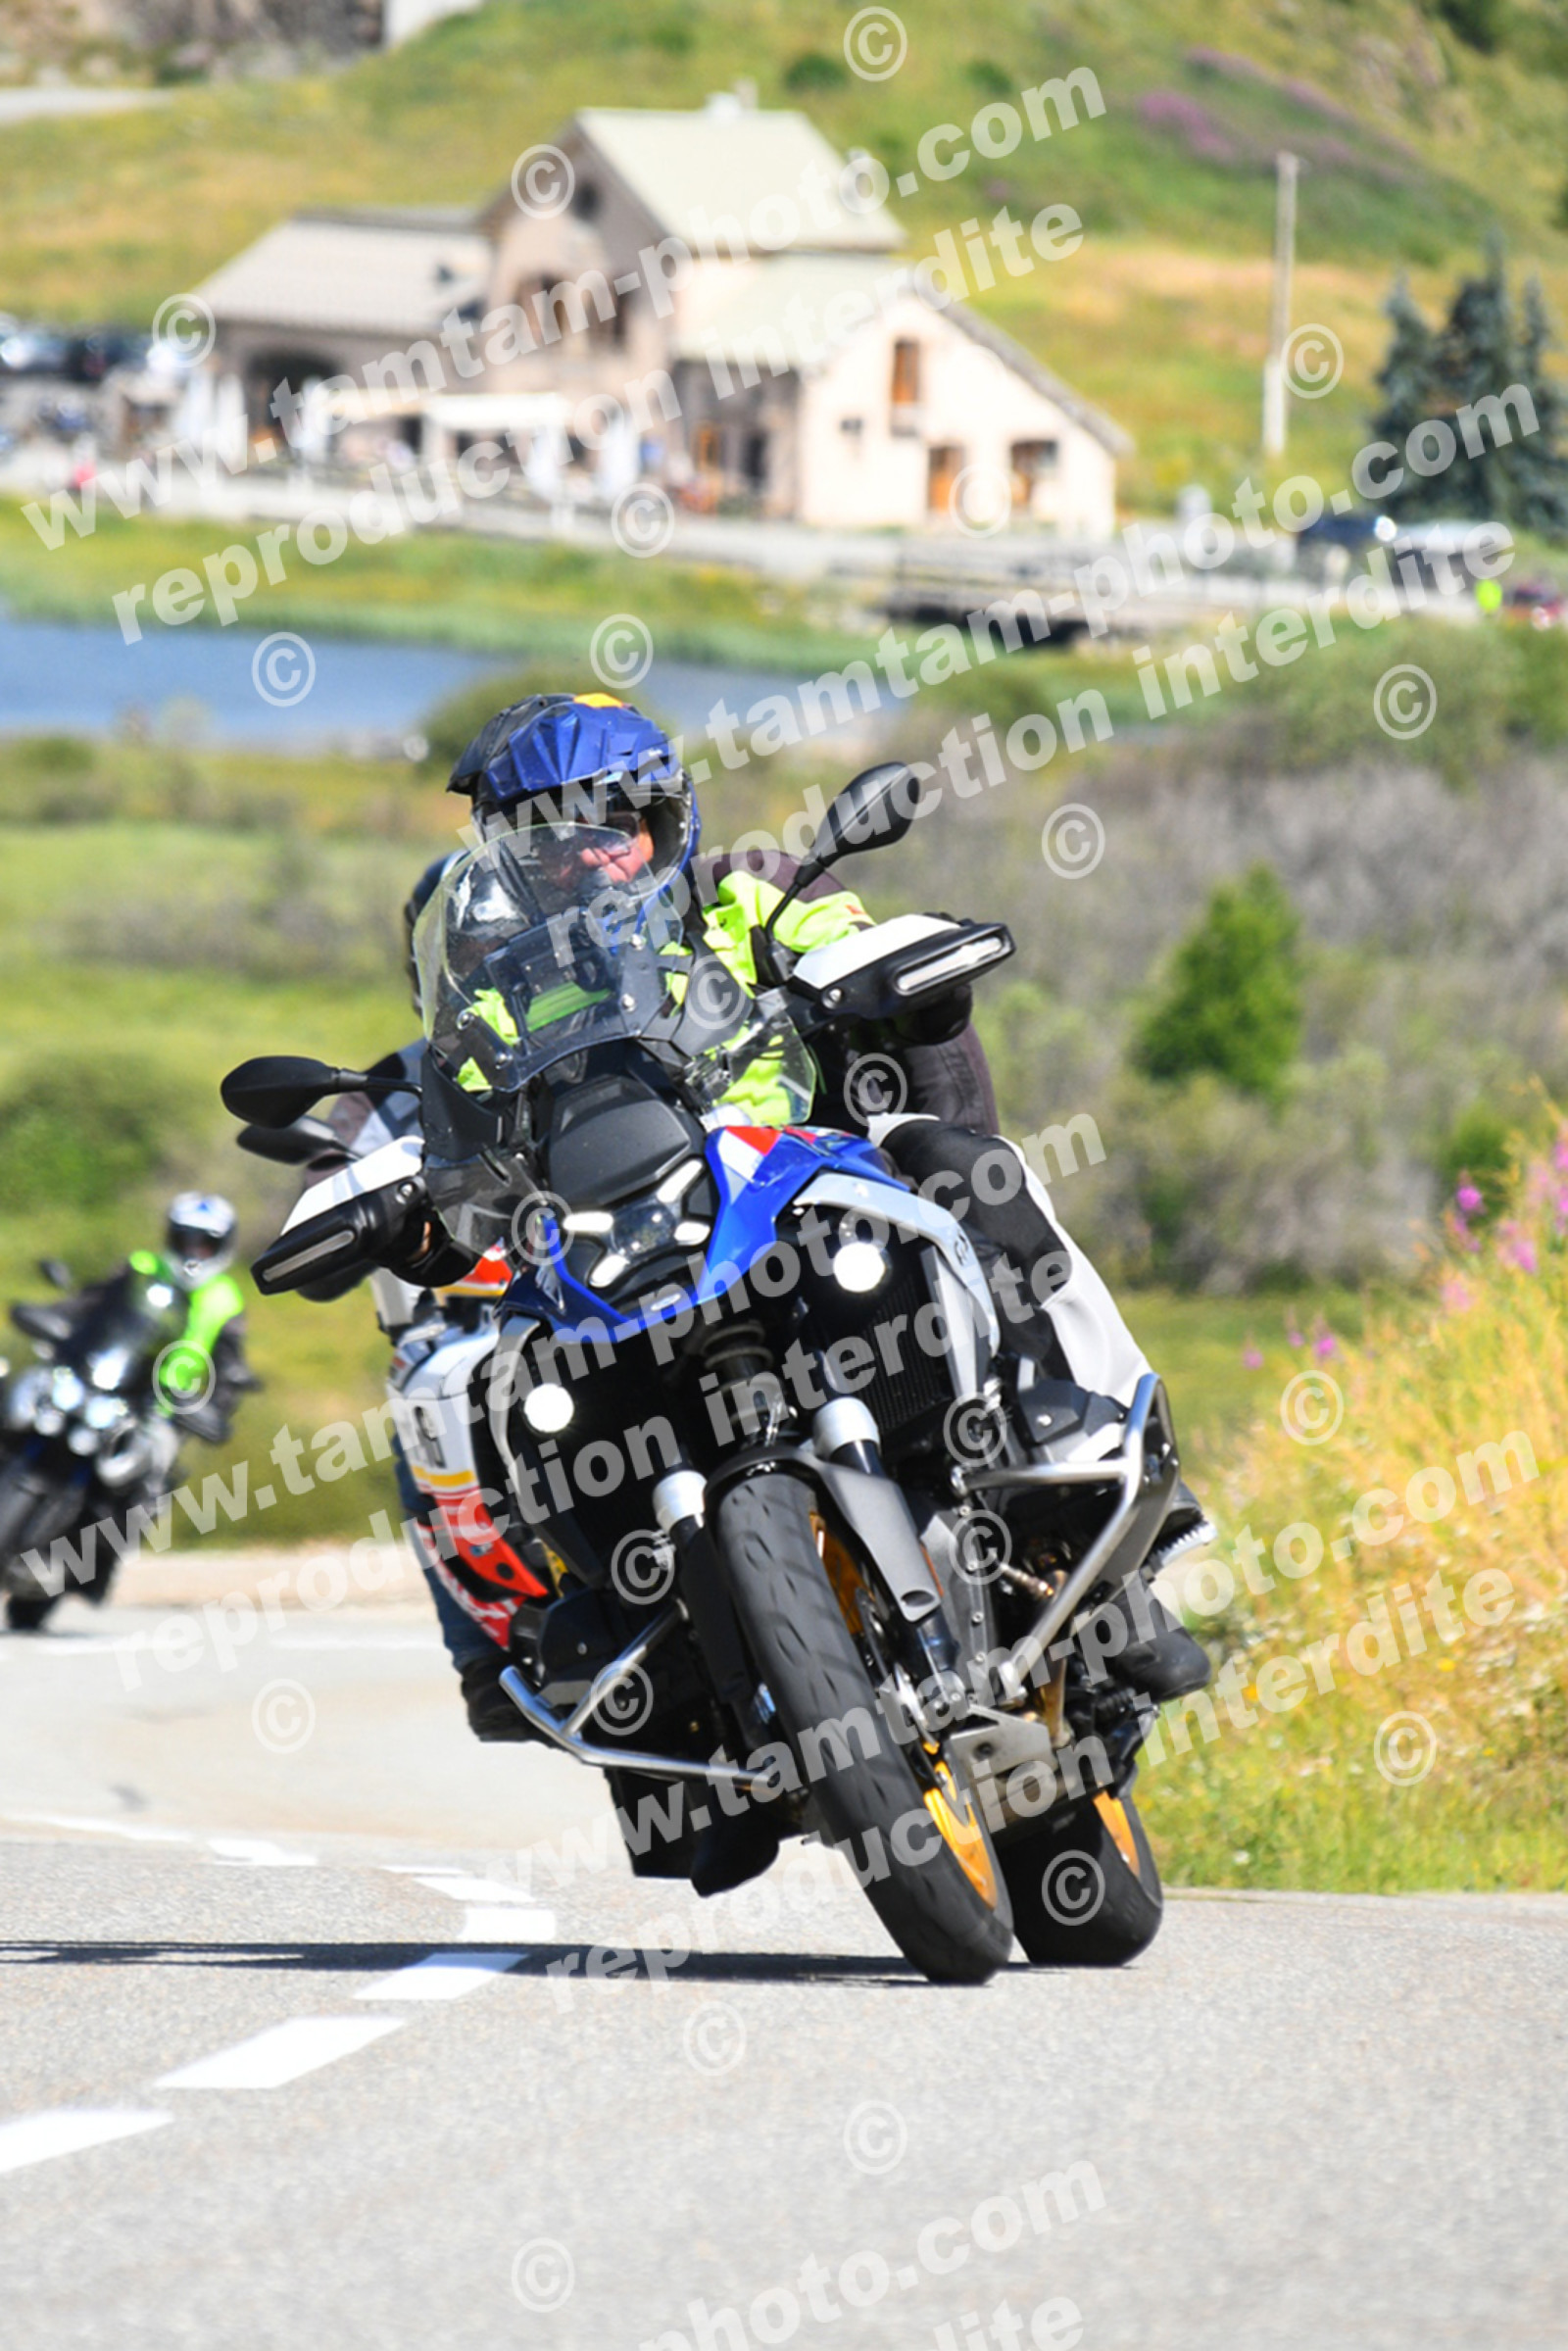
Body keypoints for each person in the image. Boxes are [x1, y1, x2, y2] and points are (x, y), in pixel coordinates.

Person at [400, 693, 1211, 1745]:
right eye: (549, 834)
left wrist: (879, 984)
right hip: (621, 1251)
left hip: (810, 1191)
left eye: (614, 820)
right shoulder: (495, 995)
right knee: (497, 1371)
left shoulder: (750, 890)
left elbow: (855, 950)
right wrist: (414, 1205)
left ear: (664, 818)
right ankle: (624, 1638)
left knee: (974, 1167)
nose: (589, 851)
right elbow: (456, 1127)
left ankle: (1098, 1481)